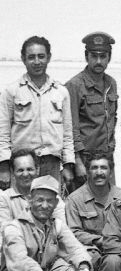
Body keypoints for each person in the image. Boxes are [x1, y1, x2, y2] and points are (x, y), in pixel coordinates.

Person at [0, 175, 91, 271]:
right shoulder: (13, 227)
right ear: (29, 200)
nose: (44, 205)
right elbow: (21, 262)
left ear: (56, 203)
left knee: (76, 268)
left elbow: (76, 249)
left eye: (50, 201)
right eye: (39, 200)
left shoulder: (56, 225)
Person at [0, 36, 74, 190]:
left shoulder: (61, 92)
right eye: (31, 57)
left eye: (41, 56)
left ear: (49, 58)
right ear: (23, 59)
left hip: (52, 166)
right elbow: (3, 134)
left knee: (49, 209)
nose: (37, 62)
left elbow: (67, 134)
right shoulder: (11, 91)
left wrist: (68, 165)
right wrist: (4, 168)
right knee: (20, 210)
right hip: (22, 166)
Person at [65, 152, 121, 271]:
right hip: (92, 248)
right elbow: (73, 233)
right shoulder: (75, 199)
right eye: (94, 168)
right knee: (89, 257)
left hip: (116, 247)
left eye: (104, 168)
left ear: (110, 171)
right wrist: (99, 240)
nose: (99, 172)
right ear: (87, 171)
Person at [65, 32, 119, 190]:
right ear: (86, 56)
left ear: (109, 57)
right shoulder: (74, 85)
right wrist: (77, 162)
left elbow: (112, 118)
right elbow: (71, 127)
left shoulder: (111, 83)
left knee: (109, 206)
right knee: (84, 207)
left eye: (103, 56)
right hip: (85, 159)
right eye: (94, 56)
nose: (98, 61)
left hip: (107, 157)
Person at [0, 149, 65, 224]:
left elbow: (61, 229)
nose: (25, 174)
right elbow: (4, 230)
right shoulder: (4, 198)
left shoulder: (52, 197)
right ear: (13, 172)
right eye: (20, 170)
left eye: (29, 169)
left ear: (37, 170)